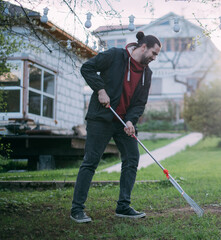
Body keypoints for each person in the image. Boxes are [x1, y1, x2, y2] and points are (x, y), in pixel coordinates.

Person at [70, 31, 161, 223]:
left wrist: (130, 121)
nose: (154, 58)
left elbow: (140, 102)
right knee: (91, 161)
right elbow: (87, 68)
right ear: (143, 47)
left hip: (123, 122)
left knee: (132, 159)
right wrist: (100, 90)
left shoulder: (147, 73)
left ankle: (123, 206)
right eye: (154, 53)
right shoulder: (115, 55)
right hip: (101, 118)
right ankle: (77, 209)